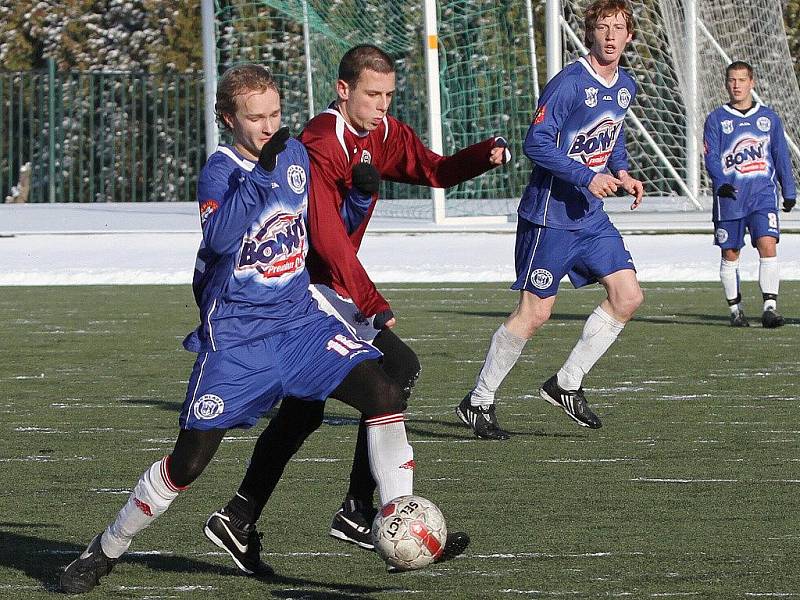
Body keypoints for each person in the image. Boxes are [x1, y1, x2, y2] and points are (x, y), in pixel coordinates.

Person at [59, 64, 422, 593]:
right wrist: (258, 177)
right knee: (188, 462)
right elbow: (222, 239)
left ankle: (397, 521)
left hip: (299, 323)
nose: (269, 126)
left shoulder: (294, 154)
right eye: (256, 118)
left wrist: (360, 200)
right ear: (230, 119)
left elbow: (319, 235)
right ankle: (107, 547)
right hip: (239, 339)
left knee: (385, 387)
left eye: (275, 114)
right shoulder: (221, 169)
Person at [204, 43, 511, 566]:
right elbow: (325, 238)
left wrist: (482, 154)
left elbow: (433, 171)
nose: (383, 105)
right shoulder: (320, 143)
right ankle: (360, 508)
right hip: (307, 289)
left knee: (309, 410)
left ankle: (252, 514)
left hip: (334, 290)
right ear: (343, 91)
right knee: (391, 375)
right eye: (373, 94)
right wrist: (371, 301)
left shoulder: (383, 133)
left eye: (389, 95)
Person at [457, 0, 645, 437]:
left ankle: (566, 383)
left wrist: (621, 171)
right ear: (590, 33)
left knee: (628, 296)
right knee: (535, 314)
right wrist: (585, 176)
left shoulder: (625, 86)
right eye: (603, 27)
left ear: (630, 36)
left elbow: (611, 135)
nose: (611, 36)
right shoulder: (569, 84)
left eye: (619, 28)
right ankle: (478, 401)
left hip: (589, 217)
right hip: (550, 217)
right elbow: (536, 143)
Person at [703, 60, 796, 328]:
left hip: (762, 196)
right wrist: (720, 181)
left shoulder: (769, 119)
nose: (737, 85)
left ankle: (770, 308)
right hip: (730, 199)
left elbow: (780, 156)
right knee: (730, 254)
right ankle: (736, 310)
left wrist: (788, 190)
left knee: (768, 244)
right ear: (726, 83)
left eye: (742, 80)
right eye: (732, 80)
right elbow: (711, 157)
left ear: (751, 83)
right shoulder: (717, 119)